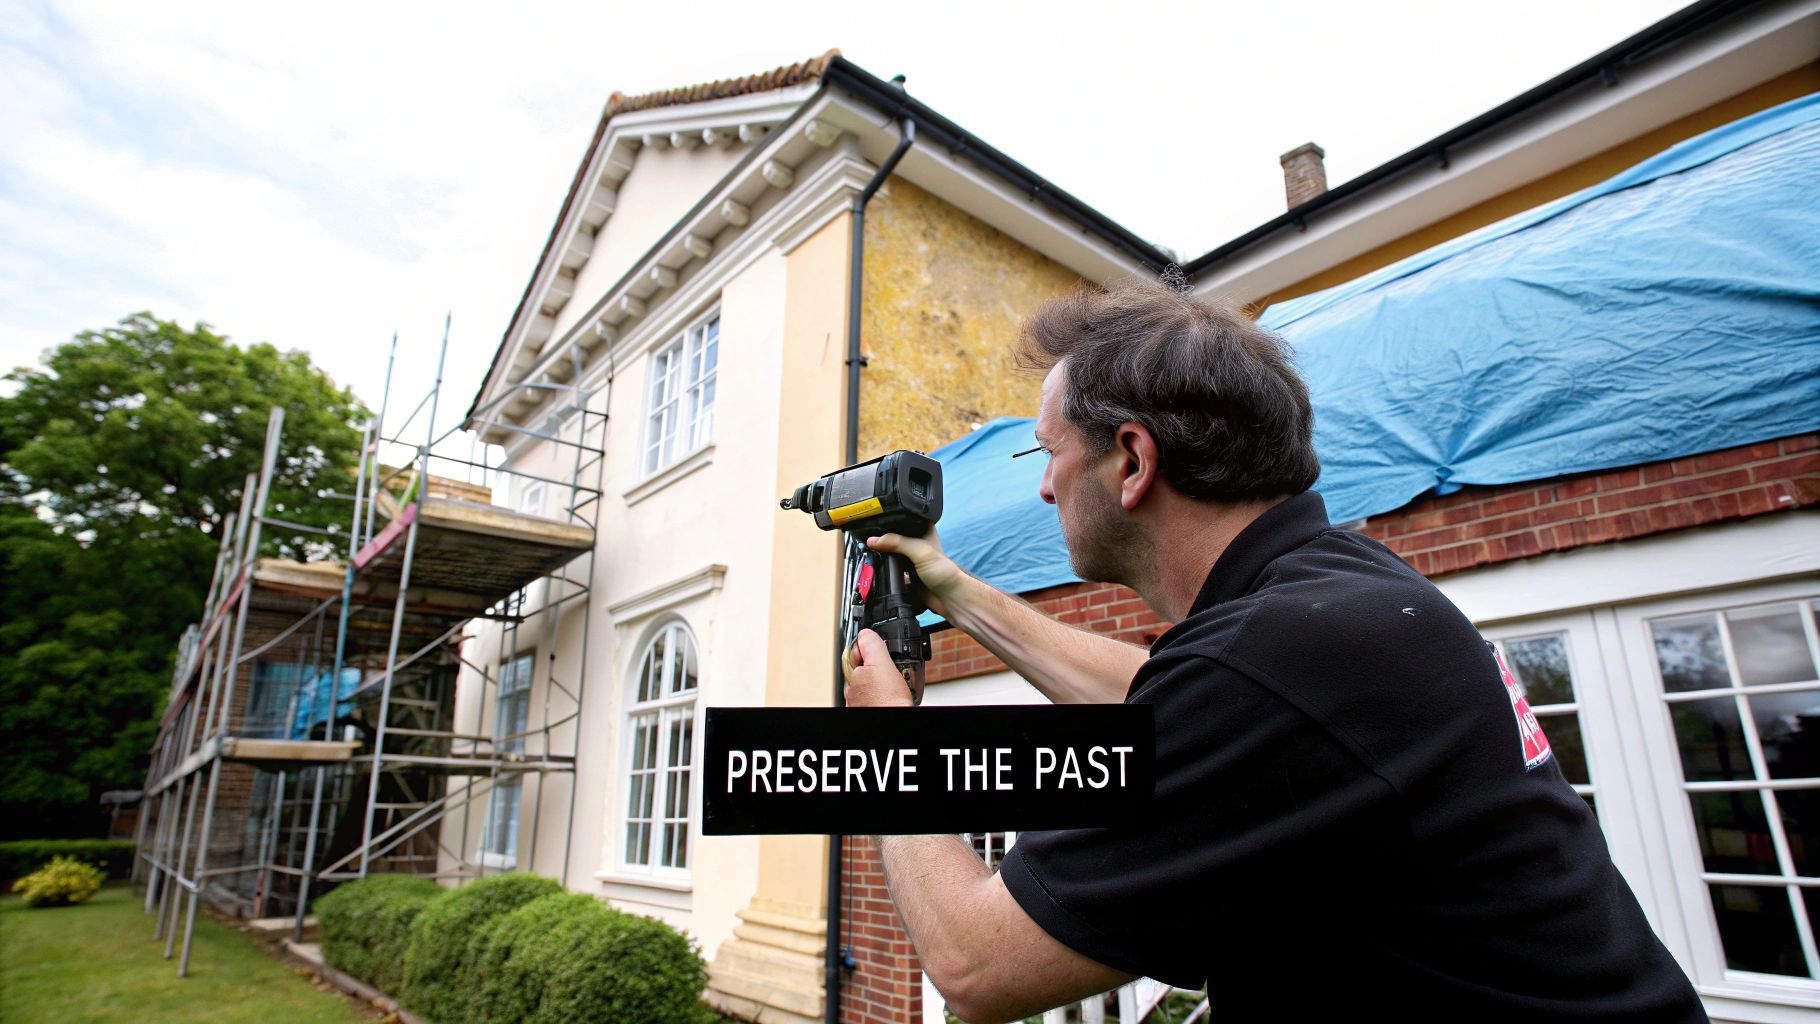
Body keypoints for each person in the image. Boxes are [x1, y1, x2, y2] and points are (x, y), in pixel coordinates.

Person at [841, 282, 1706, 1023]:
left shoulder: (1274, 660)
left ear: (1133, 460)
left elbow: (977, 967)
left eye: (1049, 450)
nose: (1042, 485)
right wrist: (954, 589)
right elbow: (1163, 699)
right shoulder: (1337, 596)